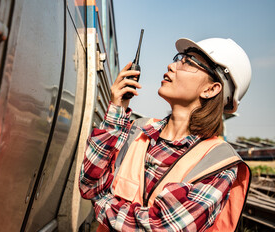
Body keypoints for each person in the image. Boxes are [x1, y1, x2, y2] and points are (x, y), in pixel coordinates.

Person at [79, 38, 252, 231]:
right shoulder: (138, 130)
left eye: (188, 62)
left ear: (210, 89)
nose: (171, 65)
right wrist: (116, 109)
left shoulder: (217, 163)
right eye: (179, 58)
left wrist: (100, 200)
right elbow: (89, 183)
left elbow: (159, 227)